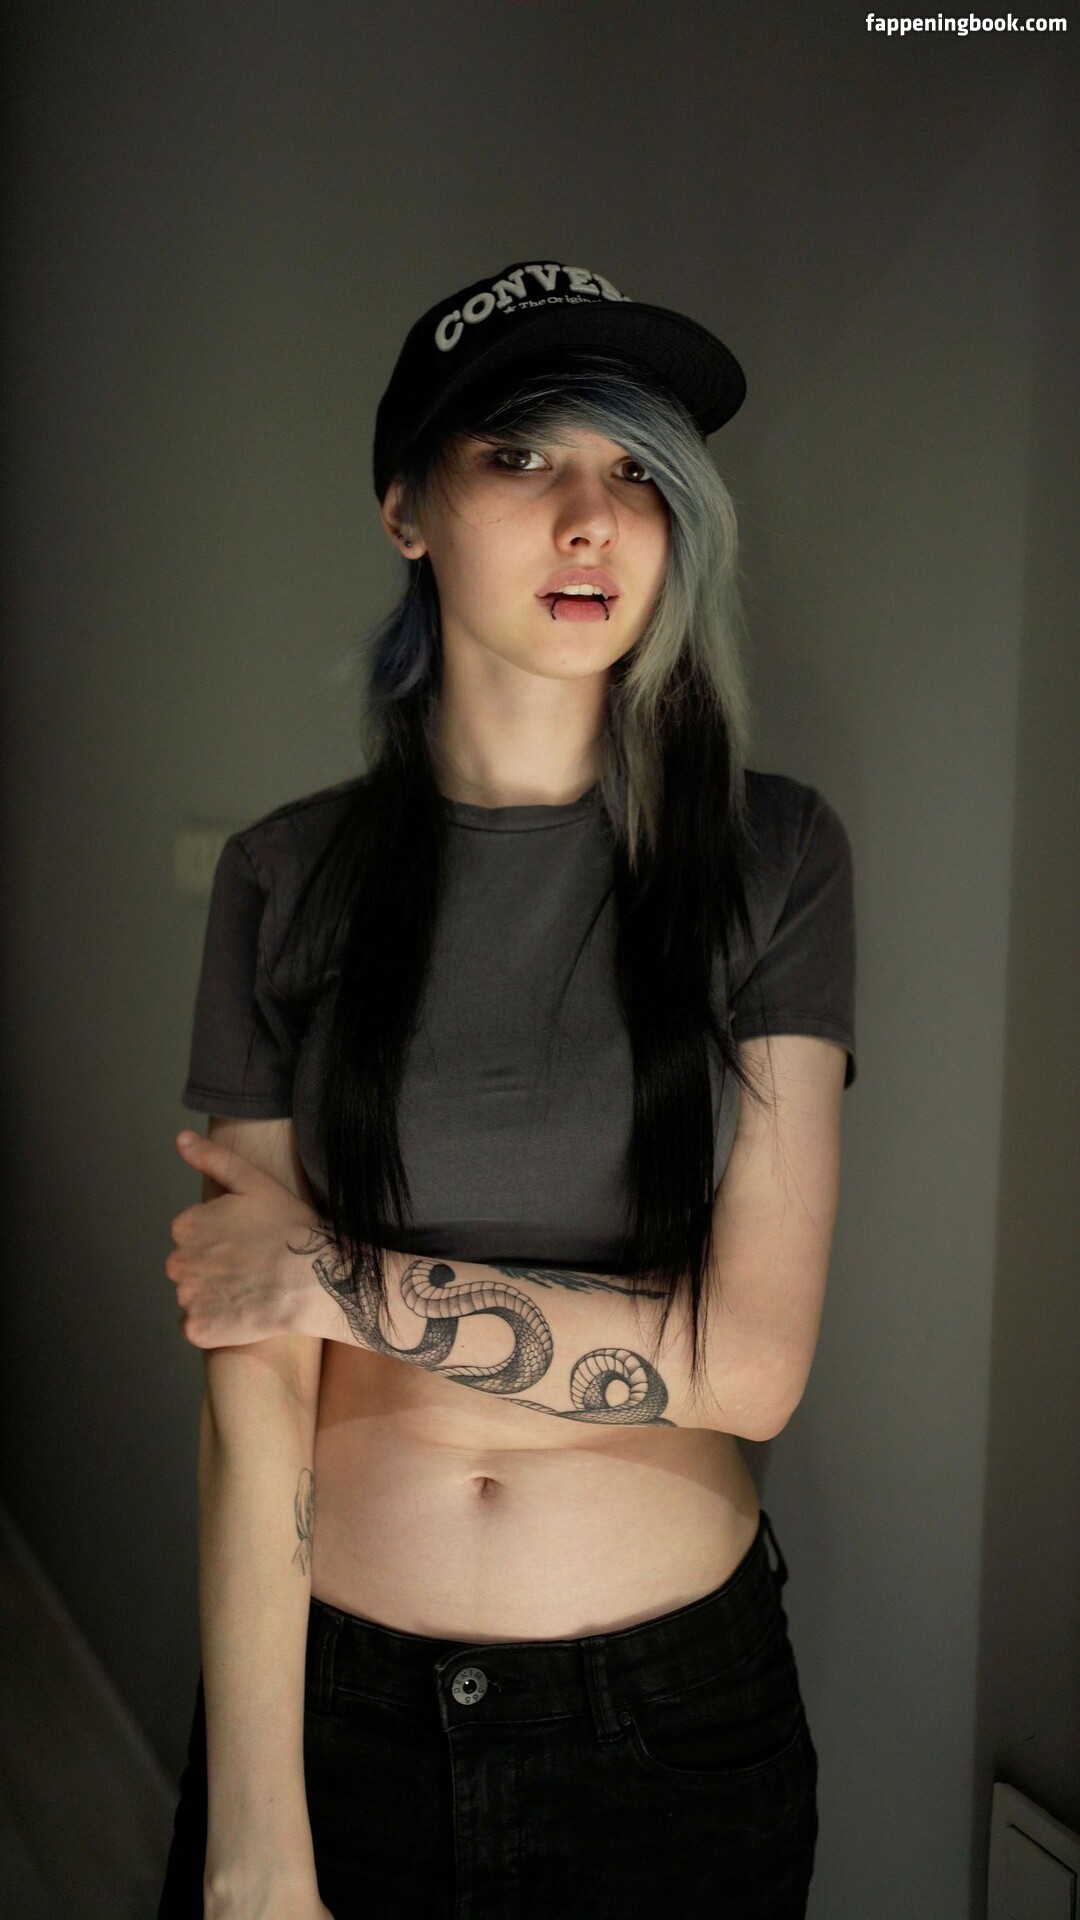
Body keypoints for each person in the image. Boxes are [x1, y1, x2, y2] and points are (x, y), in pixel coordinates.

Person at [157, 258, 857, 1920]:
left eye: (637, 471)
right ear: (406, 506)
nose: (592, 520)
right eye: (523, 455)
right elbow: (253, 1387)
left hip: (661, 1739)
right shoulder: (285, 879)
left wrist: (336, 1280)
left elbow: (752, 1367)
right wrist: (257, 1842)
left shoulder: (769, 857)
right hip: (340, 1715)